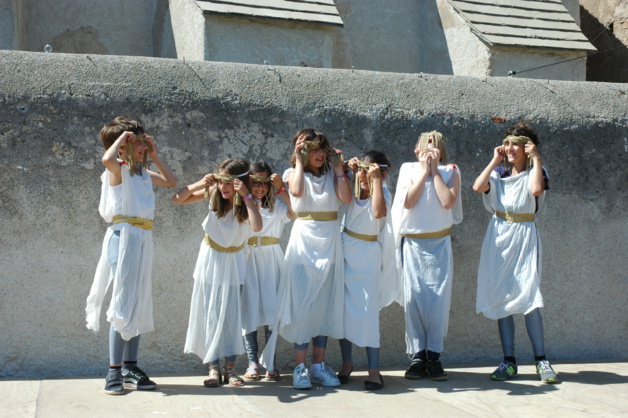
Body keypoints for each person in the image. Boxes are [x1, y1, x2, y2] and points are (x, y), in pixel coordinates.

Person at [86, 116, 178, 395]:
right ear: (124, 146)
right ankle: (113, 371)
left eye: (142, 141)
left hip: (142, 238)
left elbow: (171, 181)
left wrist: (154, 154)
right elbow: (106, 159)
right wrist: (122, 140)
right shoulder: (119, 169)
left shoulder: (142, 174)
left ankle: (130, 366)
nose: (141, 146)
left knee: (138, 301)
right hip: (123, 237)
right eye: (136, 142)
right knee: (122, 301)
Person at [264, 128, 352, 390]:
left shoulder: (333, 175)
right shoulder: (293, 174)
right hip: (304, 244)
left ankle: (318, 366)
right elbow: (298, 194)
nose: (319, 153)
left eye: (321, 148)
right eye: (311, 149)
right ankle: (300, 368)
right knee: (301, 306)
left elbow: (345, 198)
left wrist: (338, 170)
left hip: (330, 244)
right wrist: (298, 161)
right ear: (301, 151)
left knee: (324, 307)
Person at [472, 123, 557, 384]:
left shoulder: (537, 171)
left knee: (529, 296)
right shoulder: (498, 171)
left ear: (527, 146)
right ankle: (508, 362)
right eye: (506, 143)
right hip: (499, 237)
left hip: (524, 234)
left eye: (515, 143)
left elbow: (535, 191)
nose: (509, 148)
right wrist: (494, 159)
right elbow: (478, 187)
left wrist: (537, 156)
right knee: (502, 298)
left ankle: (541, 360)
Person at [172, 158, 262, 387]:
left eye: (229, 183)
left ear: (240, 183)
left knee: (232, 316)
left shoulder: (249, 202)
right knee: (211, 314)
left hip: (235, 262)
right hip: (211, 260)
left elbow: (258, 226)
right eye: (221, 181)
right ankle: (213, 368)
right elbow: (177, 199)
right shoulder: (212, 193)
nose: (223, 187)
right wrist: (197, 184)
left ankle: (230, 370)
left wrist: (247, 196)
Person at [392, 130, 462, 382]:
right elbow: (408, 202)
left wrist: (435, 172)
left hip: (439, 245)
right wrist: (423, 171)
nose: (430, 149)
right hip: (413, 244)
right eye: (425, 145)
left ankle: (434, 355)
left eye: (435, 145)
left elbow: (447, 202)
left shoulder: (451, 170)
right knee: (413, 299)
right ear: (416, 149)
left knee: (437, 302)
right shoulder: (407, 169)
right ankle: (417, 355)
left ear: (442, 150)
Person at [337, 150, 401, 391]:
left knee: (367, 314)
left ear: (382, 173)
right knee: (343, 313)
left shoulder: (383, 192)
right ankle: (346, 364)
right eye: (361, 170)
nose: (363, 175)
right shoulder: (352, 190)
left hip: (367, 257)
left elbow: (378, 213)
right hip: (346, 251)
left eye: (370, 171)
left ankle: (374, 371)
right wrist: (345, 167)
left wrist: (375, 181)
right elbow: (337, 182)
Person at [241, 162, 296, 382]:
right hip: (248, 257)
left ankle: (270, 362)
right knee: (250, 310)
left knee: (272, 312)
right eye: (255, 182)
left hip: (272, 259)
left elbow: (295, 212)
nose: (260, 188)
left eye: (265, 183)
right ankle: (252, 362)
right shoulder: (243, 204)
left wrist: (282, 189)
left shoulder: (277, 206)